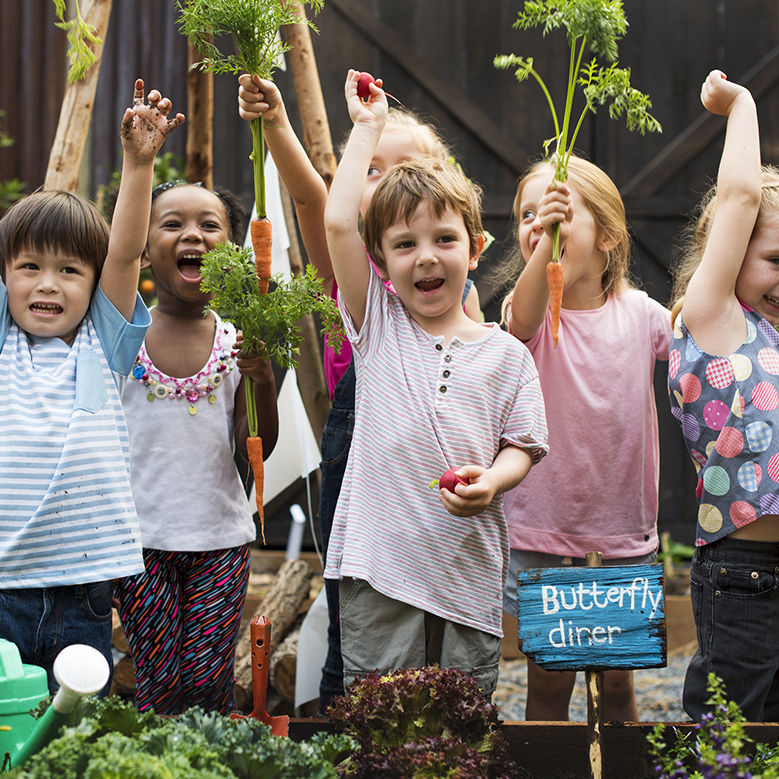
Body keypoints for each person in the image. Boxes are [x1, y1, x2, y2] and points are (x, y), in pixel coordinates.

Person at [238, 74, 482, 713]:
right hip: (362, 442)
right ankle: (349, 712)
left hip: (433, 452)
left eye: (408, 168)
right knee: (360, 604)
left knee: (433, 604)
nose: (387, 180)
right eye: (372, 169)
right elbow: (316, 199)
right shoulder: (359, 270)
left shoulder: (453, 285)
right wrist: (280, 126)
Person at [322, 69, 548, 698]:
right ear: (383, 260)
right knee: (378, 717)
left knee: (460, 720)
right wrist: (365, 130)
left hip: (464, 571)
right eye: (404, 244)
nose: (425, 256)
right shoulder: (377, 326)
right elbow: (339, 223)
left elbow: (523, 444)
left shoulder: (506, 355)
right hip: (379, 568)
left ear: (474, 249)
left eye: (444, 239)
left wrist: (494, 481)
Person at [0, 80, 183, 693]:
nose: (47, 285)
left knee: (76, 733)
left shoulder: (102, 345)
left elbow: (126, 254)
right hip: (3, 585)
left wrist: (138, 164)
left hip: (83, 589)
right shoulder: (2, 342)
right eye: (29, 268)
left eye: (69, 271)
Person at [501, 154, 671, 721]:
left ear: (609, 236)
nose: (539, 224)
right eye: (528, 214)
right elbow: (522, 316)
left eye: (558, 212)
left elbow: (700, 336)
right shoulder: (526, 319)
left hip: (621, 536)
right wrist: (548, 237)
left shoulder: (643, 316)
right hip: (543, 536)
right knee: (549, 688)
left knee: (619, 689)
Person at [112, 174, 279, 715]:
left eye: (210, 225)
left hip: (220, 542)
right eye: (173, 224)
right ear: (142, 251)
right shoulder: (124, 337)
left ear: (231, 252)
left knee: (207, 680)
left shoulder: (237, 339)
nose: (193, 235)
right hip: (142, 543)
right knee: (157, 680)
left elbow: (256, 448)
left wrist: (264, 381)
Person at [667, 70, 779, 722]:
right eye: (773, 259)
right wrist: (738, 106)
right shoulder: (714, 323)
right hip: (742, 570)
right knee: (728, 730)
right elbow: (738, 196)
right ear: (727, 253)